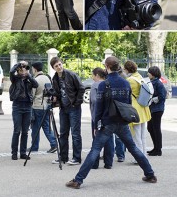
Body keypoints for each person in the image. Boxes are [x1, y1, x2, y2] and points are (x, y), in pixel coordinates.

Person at [66, 56, 157, 189]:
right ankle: (150, 174)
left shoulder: (104, 84)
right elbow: (128, 104)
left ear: (107, 67)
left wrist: (96, 123)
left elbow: (98, 107)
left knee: (95, 150)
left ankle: (78, 180)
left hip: (107, 123)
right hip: (122, 122)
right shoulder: (126, 82)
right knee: (133, 148)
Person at [50, 57, 84, 165]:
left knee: (75, 134)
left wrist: (76, 103)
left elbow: (81, 88)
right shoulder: (54, 78)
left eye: (60, 64)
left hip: (74, 108)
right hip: (63, 108)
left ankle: (77, 158)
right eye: (56, 66)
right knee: (63, 133)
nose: (59, 67)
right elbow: (57, 92)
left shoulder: (71, 75)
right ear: (53, 68)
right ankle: (63, 157)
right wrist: (55, 99)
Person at [9, 61, 38, 160]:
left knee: (25, 132)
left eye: (25, 69)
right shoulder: (15, 79)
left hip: (28, 107)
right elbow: (11, 72)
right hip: (17, 106)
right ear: (19, 71)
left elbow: (36, 84)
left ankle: (23, 153)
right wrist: (19, 64)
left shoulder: (30, 80)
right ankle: (14, 153)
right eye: (22, 70)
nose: (23, 71)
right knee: (17, 131)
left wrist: (29, 75)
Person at [123, 60, 151, 163]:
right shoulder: (139, 76)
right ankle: (143, 155)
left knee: (136, 135)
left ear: (127, 69)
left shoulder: (130, 80)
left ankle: (139, 158)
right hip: (143, 107)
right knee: (143, 135)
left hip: (135, 109)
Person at [29, 61, 57, 153]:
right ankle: (54, 144)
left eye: (32, 69)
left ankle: (34, 146)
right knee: (46, 126)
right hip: (47, 105)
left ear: (35, 69)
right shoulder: (47, 78)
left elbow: (32, 95)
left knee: (35, 128)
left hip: (37, 106)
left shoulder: (35, 80)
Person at [90, 67, 114, 169]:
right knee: (108, 139)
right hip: (109, 115)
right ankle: (108, 162)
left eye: (93, 75)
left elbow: (94, 101)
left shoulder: (95, 85)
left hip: (97, 115)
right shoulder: (109, 84)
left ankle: (94, 163)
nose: (92, 77)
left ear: (97, 75)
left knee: (97, 140)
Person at [147, 66, 167, 156]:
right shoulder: (152, 82)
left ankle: (158, 149)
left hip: (157, 109)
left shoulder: (158, 83)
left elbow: (162, 96)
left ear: (153, 74)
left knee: (156, 128)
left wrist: (152, 100)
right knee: (151, 128)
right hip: (152, 109)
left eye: (149, 72)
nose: (148, 74)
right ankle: (156, 147)